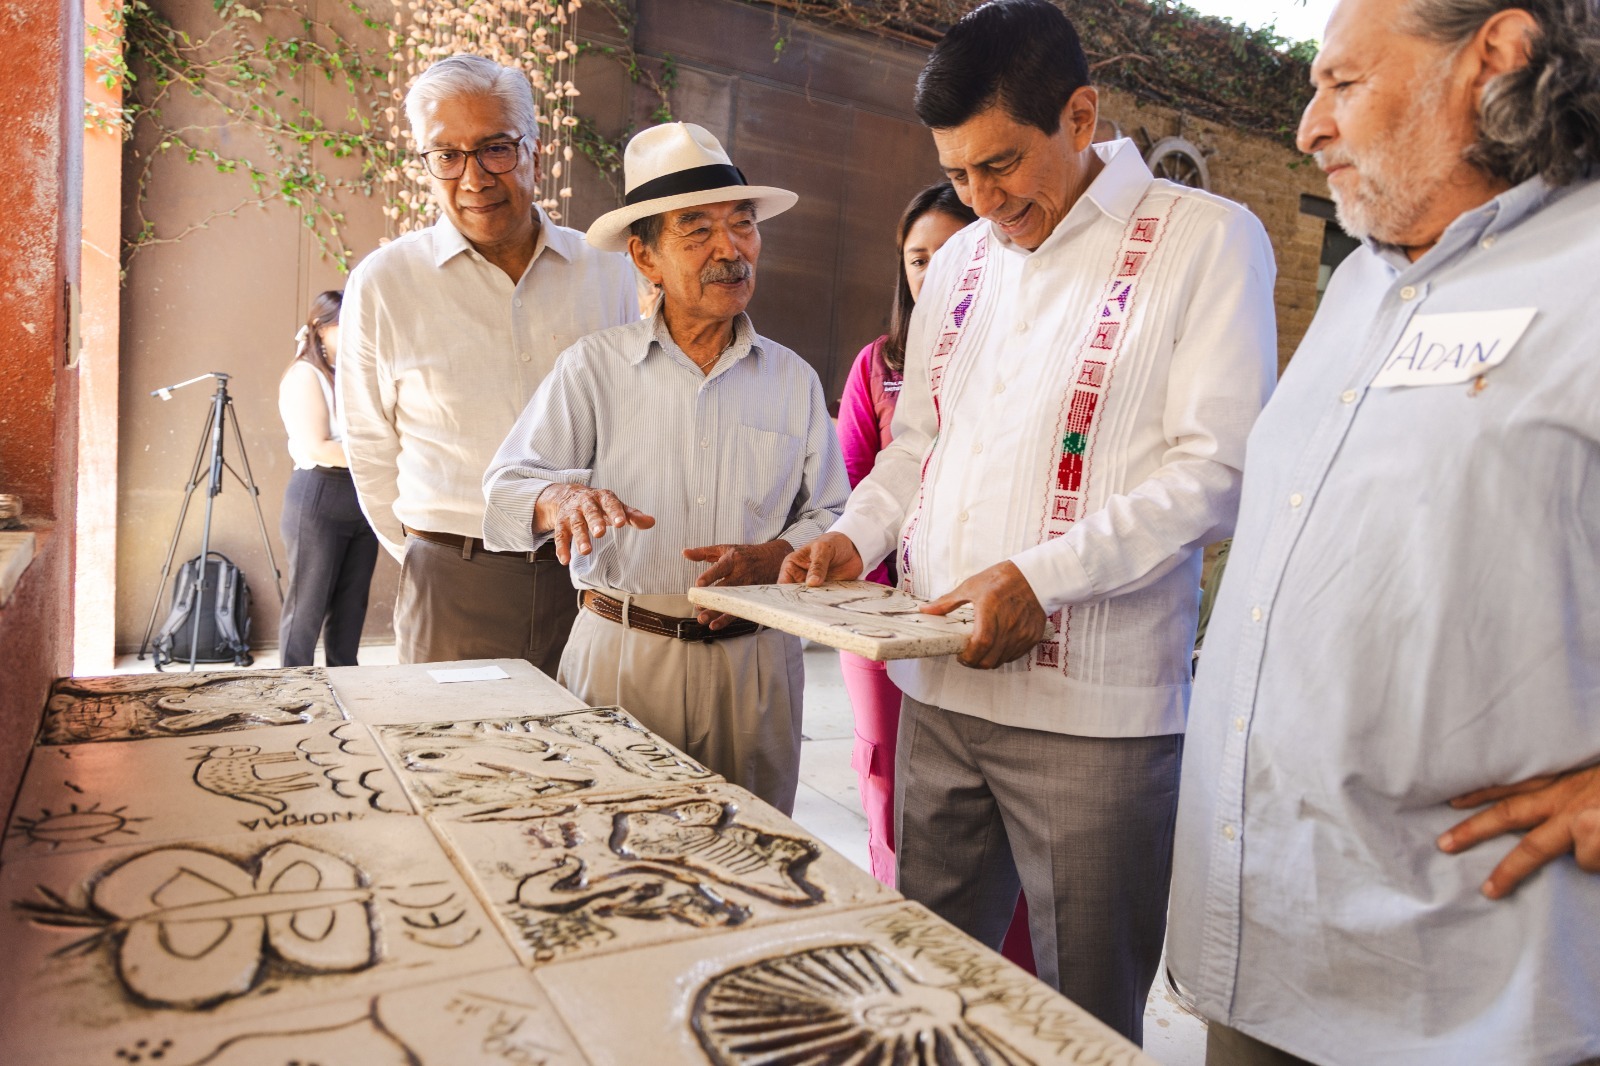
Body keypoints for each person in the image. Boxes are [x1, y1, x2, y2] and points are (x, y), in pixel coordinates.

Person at [781, 0, 1278, 1043]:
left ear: (1081, 113)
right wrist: (852, 538)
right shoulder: (960, 263)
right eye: (958, 174)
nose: (981, 199)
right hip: (939, 683)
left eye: (1001, 164)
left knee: (1080, 1018)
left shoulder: (1206, 242)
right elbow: (918, 442)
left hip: (1094, 720)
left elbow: (1219, 471)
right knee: (918, 985)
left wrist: (1037, 580)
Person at [1167, 0, 1600, 1063]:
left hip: (1459, 998)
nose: (1308, 127)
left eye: (1342, 84)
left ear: (1492, 58)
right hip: (1259, 950)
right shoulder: (1361, 283)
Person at [482, 123, 850, 815]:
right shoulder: (594, 369)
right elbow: (506, 488)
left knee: (758, 861)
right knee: (616, 859)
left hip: (756, 665)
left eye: (742, 225)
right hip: (624, 652)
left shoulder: (792, 380)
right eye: (697, 231)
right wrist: (558, 498)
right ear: (644, 257)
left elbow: (834, 512)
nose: (730, 249)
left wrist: (779, 554)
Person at [340, 54, 635, 672]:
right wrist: (434, 554)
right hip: (452, 585)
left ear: (534, 147)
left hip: (591, 581)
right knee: (450, 765)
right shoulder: (385, 282)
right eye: (446, 156)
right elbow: (368, 448)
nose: (473, 178)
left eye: (496, 148)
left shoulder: (610, 270)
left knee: (592, 764)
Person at [276, 291, 379, 667]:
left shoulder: (352, 375)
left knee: (352, 605)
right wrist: (379, 457)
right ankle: (291, 691)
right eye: (344, 325)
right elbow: (318, 447)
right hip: (318, 496)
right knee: (307, 605)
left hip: (360, 496)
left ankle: (345, 688)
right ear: (320, 329)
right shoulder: (305, 375)